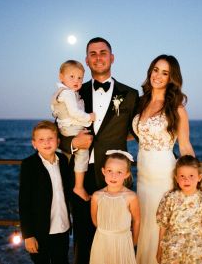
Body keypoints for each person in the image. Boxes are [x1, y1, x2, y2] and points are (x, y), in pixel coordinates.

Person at [59, 37, 139, 264]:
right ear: (86, 60)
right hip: (81, 178)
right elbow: (59, 131)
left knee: (118, 236)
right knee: (83, 239)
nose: (98, 57)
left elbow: (140, 127)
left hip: (116, 176)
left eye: (103, 52)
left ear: (112, 58)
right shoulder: (74, 92)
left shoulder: (130, 94)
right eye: (92, 53)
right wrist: (74, 144)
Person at [132, 54, 196, 264]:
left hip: (163, 177)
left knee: (162, 229)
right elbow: (130, 133)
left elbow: (185, 146)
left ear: (171, 78)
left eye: (165, 72)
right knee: (144, 226)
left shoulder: (176, 108)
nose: (158, 75)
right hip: (142, 177)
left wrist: (195, 180)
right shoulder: (141, 103)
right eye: (156, 70)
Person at [19, 120, 72, 264]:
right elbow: (24, 202)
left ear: (58, 141)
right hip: (40, 231)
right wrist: (28, 235)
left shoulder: (63, 160)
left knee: (62, 261)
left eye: (50, 139)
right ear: (34, 144)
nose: (46, 143)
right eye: (41, 139)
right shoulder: (29, 165)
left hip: (62, 227)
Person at [156, 155, 202, 264]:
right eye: (182, 176)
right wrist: (159, 250)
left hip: (196, 251)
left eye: (191, 176)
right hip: (172, 250)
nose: (186, 180)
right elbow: (163, 226)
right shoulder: (169, 198)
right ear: (176, 178)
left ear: (199, 177)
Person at [51, 60, 96, 202]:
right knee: (82, 154)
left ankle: (63, 185)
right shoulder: (68, 93)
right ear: (61, 77)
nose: (76, 80)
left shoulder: (60, 93)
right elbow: (75, 113)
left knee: (66, 160)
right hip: (73, 129)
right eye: (72, 76)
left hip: (65, 128)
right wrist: (90, 117)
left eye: (80, 78)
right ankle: (79, 186)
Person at [89, 150, 140, 264]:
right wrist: (107, 231)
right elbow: (95, 219)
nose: (113, 176)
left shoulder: (131, 197)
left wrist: (134, 242)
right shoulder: (97, 196)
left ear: (127, 174)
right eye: (110, 171)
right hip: (102, 241)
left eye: (119, 172)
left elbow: (137, 220)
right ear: (103, 171)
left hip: (123, 242)